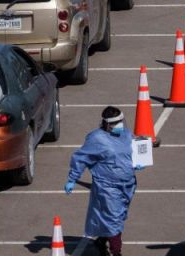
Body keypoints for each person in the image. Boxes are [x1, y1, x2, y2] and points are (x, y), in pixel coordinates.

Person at [65, 106, 139, 256]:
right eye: (116, 122)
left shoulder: (125, 134)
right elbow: (81, 158)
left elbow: (134, 145)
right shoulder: (96, 139)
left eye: (121, 121)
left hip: (127, 185)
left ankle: (101, 241)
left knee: (119, 217)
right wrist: (72, 179)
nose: (120, 125)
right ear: (106, 124)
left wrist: (146, 146)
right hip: (107, 187)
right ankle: (116, 252)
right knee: (113, 220)